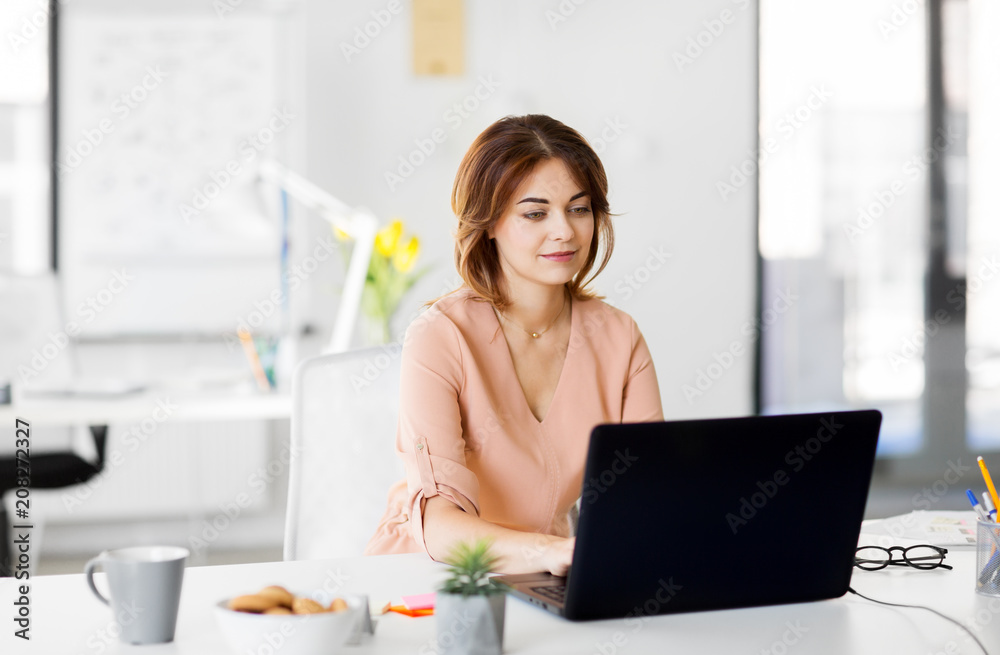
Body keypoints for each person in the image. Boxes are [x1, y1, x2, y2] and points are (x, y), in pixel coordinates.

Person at [364, 114, 663, 575]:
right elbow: (440, 523)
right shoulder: (441, 337)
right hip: (430, 574)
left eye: (579, 208)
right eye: (535, 213)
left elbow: (645, 492)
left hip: (551, 575)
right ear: (489, 223)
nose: (564, 230)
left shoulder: (619, 337)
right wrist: (554, 551)